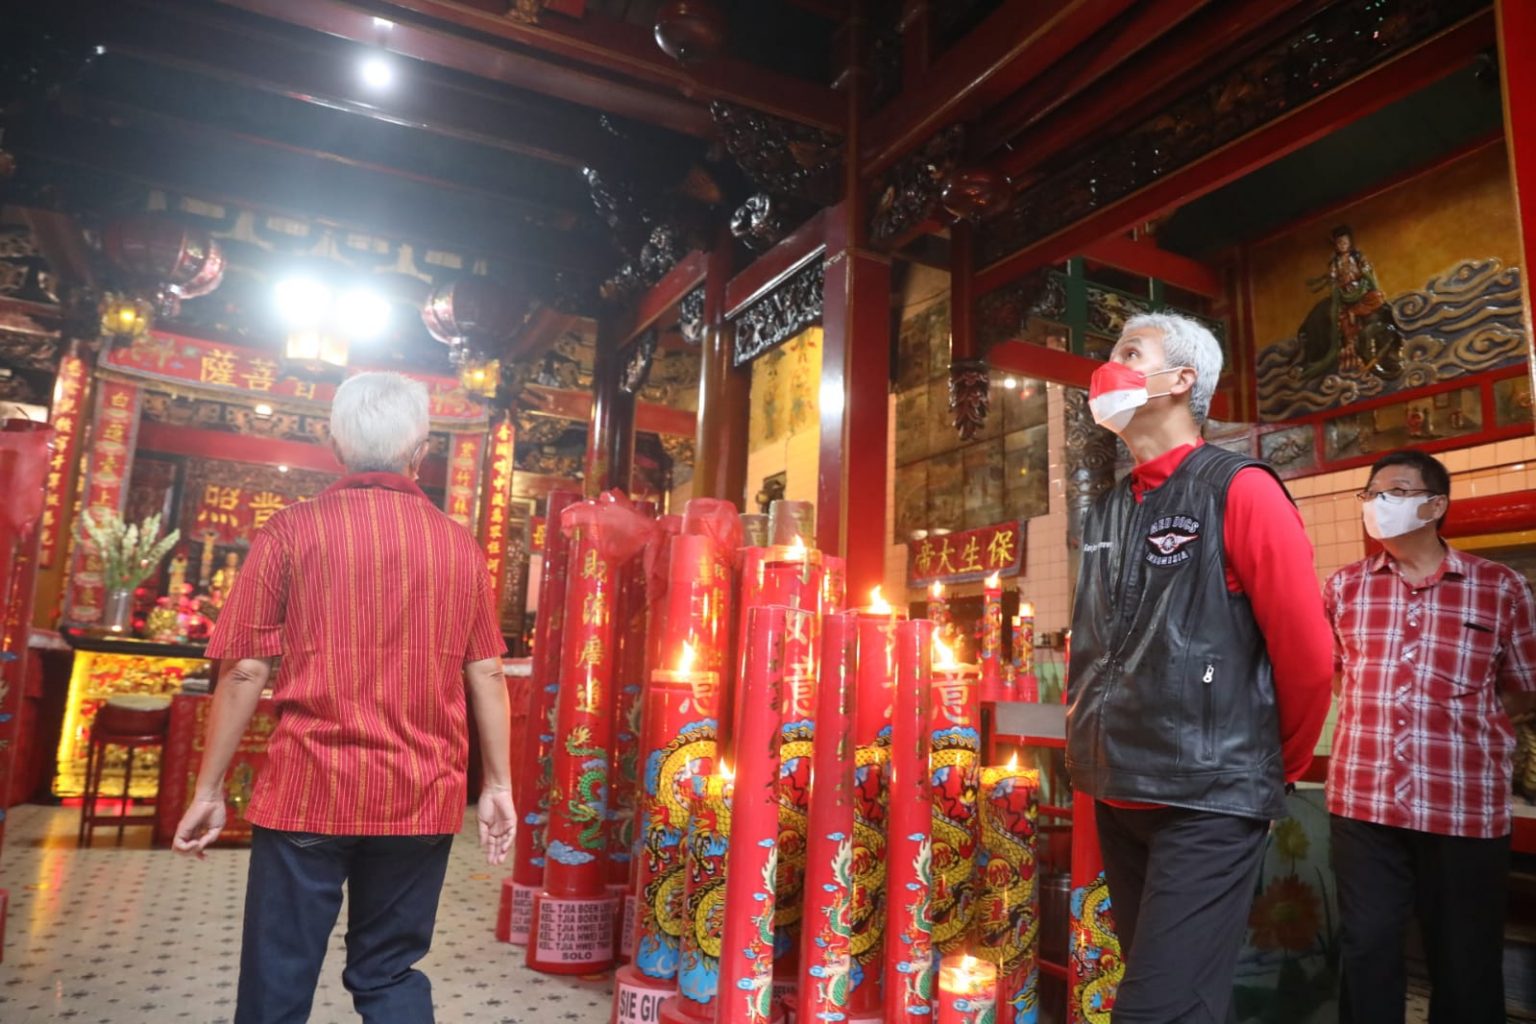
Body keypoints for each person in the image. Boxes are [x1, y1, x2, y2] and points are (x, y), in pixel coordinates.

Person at [173, 371, 516, 1024]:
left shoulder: (290, 533)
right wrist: (497, 784)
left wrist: (208, 789)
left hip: (309, 788)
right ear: (422, 446)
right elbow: (489, 674)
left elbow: (246, 670)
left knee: (279, 973)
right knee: (388, 972)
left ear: (334, 443)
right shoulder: (458, 546)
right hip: (420, 794)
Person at [1065, 312, 1334, 1022]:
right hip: (1119, 790)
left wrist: (1273, 769)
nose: (1107, 368)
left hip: (1207, 801)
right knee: (1182, 1001)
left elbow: (1308, 655)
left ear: (1182, 380)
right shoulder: (1109, 513)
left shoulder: (1240, 488)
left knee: (1155, 1011)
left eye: (1129, 352)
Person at [1326, 449, 1536, 1024]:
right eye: (1370, 495)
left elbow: (1522, 691)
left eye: (1394, 491)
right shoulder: (1344, 588)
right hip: (1364, 802)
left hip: (1463, 805)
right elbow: (1339, 675)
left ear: (1435, 504)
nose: (1378, 505)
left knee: (1465, 962)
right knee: (1367, 949)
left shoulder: (1500, 587)